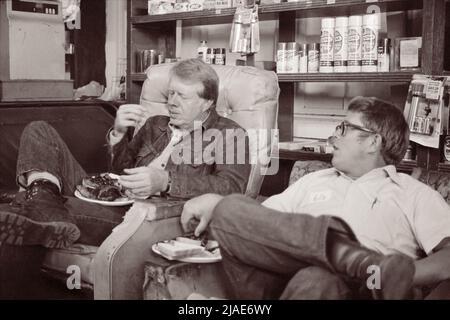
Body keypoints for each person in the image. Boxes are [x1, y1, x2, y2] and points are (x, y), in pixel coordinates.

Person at [180, 96, 450, 300]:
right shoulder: (313, 180)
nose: (332, 138)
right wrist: (216, 205)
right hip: (281, 284)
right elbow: (260, 228)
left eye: (343, 129)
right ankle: (356, 261)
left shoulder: (412, 193)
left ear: (373, 142)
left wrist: (388, 275)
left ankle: (362, 266)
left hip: (365, 290)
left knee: (318, 279)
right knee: (229, 208)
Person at [0, 58, 250, 250]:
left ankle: (37, 203)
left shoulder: (231, 134)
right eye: (170, 93)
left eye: (182, 96)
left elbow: (232, 188)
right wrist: (119, 133)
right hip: (113, 198)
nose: (172, 102)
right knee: (38, 130)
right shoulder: (156, 124)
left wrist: (165, 181)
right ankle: (43, 202)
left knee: (31, 204)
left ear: (207, 103)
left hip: (148, 219)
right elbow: (121, 171)